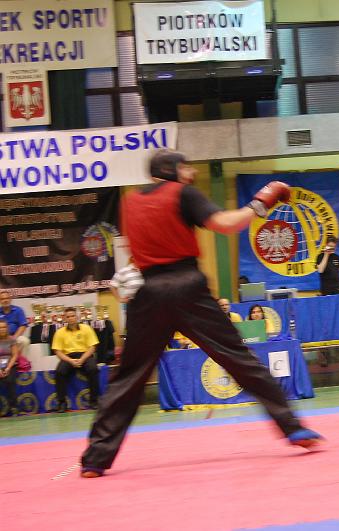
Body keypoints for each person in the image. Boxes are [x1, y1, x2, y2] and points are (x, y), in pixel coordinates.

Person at [80, 149, 321, 479]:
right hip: (186, 288)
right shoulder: (182, 193)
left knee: (129, 376)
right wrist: (261, 202)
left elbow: (137, 247)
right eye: (186, 167)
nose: (191, 173)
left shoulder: (130, 201)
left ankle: (95, 458)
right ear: (172, 169)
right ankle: (293, 427)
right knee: (238, 358)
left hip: (147, 291)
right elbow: (226, 225)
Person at [51, 307, 100, 412]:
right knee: (59, 372)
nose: (71, 318)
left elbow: (92, 347)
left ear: (77, 317)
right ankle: (62, 403)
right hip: (68, 357)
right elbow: (57, 351)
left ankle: (94, 401)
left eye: (73, 316)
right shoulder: (59, 332)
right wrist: (70, 361)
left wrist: (82, 359)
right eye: (68, 317)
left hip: (85, 355)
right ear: (65, 318)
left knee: (93, 369)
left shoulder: (87, 328)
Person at [0, 290, 31, 372]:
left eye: (7, 298)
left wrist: (14, 337)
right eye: (2, 299)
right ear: (0, 301)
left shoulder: (18, 310)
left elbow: (23, 325)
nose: (5, 300)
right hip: (1, 338)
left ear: (10, 299)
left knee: (25, 341)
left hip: (15, 336)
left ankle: (22, 364)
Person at [0, 320, 20, 416]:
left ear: (7, 328)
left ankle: (13, 407)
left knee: (10, 380)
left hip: (10, 365)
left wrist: (8, 368)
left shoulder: (12, 339)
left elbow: (15, 355)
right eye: (0, 327)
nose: (2, 329)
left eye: (4, 327)